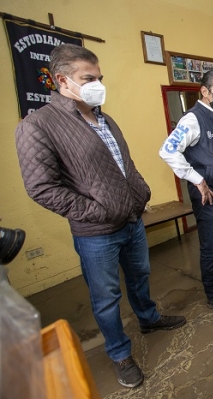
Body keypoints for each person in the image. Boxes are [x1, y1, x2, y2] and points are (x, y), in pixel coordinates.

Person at [14, 44, 186, 389]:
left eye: (100, 78)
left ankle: (149, 319)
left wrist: (140, 195)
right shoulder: (39, 125)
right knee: (106, 297)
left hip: (132, 220)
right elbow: (42, 187)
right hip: (96, 233)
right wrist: (98, 212)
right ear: (62, 80)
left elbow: (126, 165)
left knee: (140, 277)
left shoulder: (104, 117)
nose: (97, 84)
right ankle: (120, 352)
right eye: (88, 78)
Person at [159, 71, 213, 314]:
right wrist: (197, 179)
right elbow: (168, 151)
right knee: (211, 248)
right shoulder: (193, 119)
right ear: (204, 92)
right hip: (209, 198)